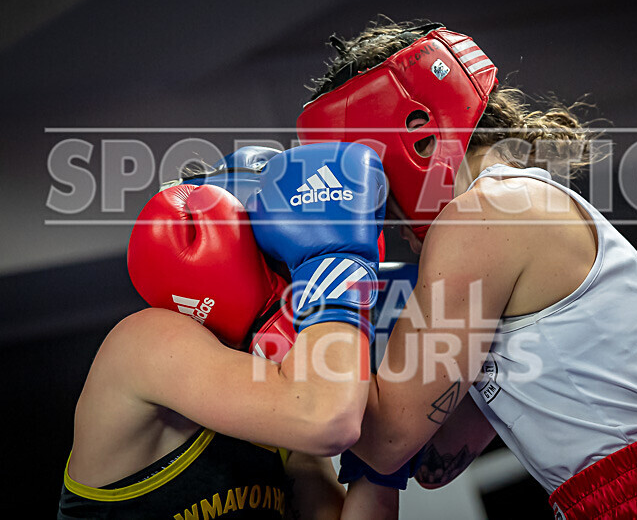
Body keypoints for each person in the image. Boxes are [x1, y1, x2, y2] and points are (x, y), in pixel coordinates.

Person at [294, 20, 637, 518]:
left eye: (373, 184)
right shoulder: (515, 207)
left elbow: (386, 439)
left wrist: (309, 317)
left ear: (421, 136)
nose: (381, 212)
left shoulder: (485, 214)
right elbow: (433, 460)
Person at [57, 146, 398, 519]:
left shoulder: (280, 398)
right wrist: (337, 263)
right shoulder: (143, 342)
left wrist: (394, 430)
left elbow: (341, 443)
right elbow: (326, 419)